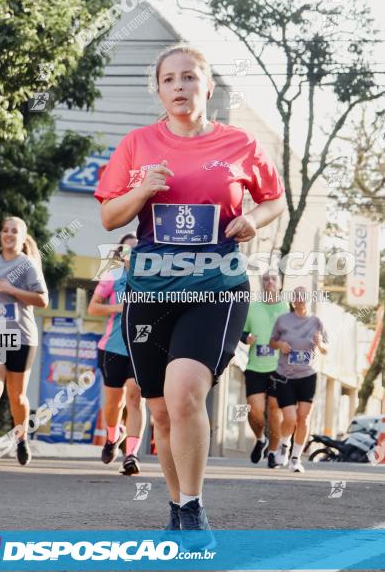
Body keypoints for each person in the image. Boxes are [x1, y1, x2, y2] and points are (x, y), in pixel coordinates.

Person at [94, 43, 286, 534]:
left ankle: (195, 507)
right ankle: (178, 507)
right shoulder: (137, 145)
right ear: (158, 90)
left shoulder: (238, 144)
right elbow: (111, 215)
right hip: (150, 290)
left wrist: (251, 219)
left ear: (208, 86)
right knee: (159, 412)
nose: (180, 87)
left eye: (189, 78)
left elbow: (274, 201)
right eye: (169, 80)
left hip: (215, 286)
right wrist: (142, 190)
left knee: (184, 395)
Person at [0, 216, 49, 468]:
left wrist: (13, 290)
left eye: (14, 231)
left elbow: (42, 300)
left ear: (22, 237)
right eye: (5, 230)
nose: (8, 234)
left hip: (22, 336)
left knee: (17, 396)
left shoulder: (27, 265)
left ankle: (21, 437)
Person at [88, 233, 147, 475]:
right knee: (114, 403)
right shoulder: (112, 277)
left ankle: (131, 455)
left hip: (141, 349)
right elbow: (93, 307)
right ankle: (114, 436)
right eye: (127, 250)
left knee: (135, 397)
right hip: (112, 349)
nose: (132, 253)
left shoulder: (152, 280)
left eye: (137, 249)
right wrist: (120, 307)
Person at [270, 285, 328, 473]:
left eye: (302, 296)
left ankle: (295, 459)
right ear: (292, 300)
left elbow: (327, 348)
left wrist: (320, 344)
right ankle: (284, 444)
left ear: (308, 299)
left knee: (303, 418)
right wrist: (280, 344)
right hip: (285, 375)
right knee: (290, 417)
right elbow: (271, 342)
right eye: (296, 296)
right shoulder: (282, 320)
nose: (299, 299)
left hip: (308, 375)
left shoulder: (316, 321)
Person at [242, 269, 290, 468]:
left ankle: (273, 452)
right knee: (255, 412)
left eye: (273, 279)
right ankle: (260, 439)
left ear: (279, 284)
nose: (269, 281)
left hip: (279, 368)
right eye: (265, 279)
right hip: (255, 367)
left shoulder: (286, 307)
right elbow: (241, 331)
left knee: (274, 410)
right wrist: (247, 338)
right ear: (262, 283)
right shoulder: (252, 307)